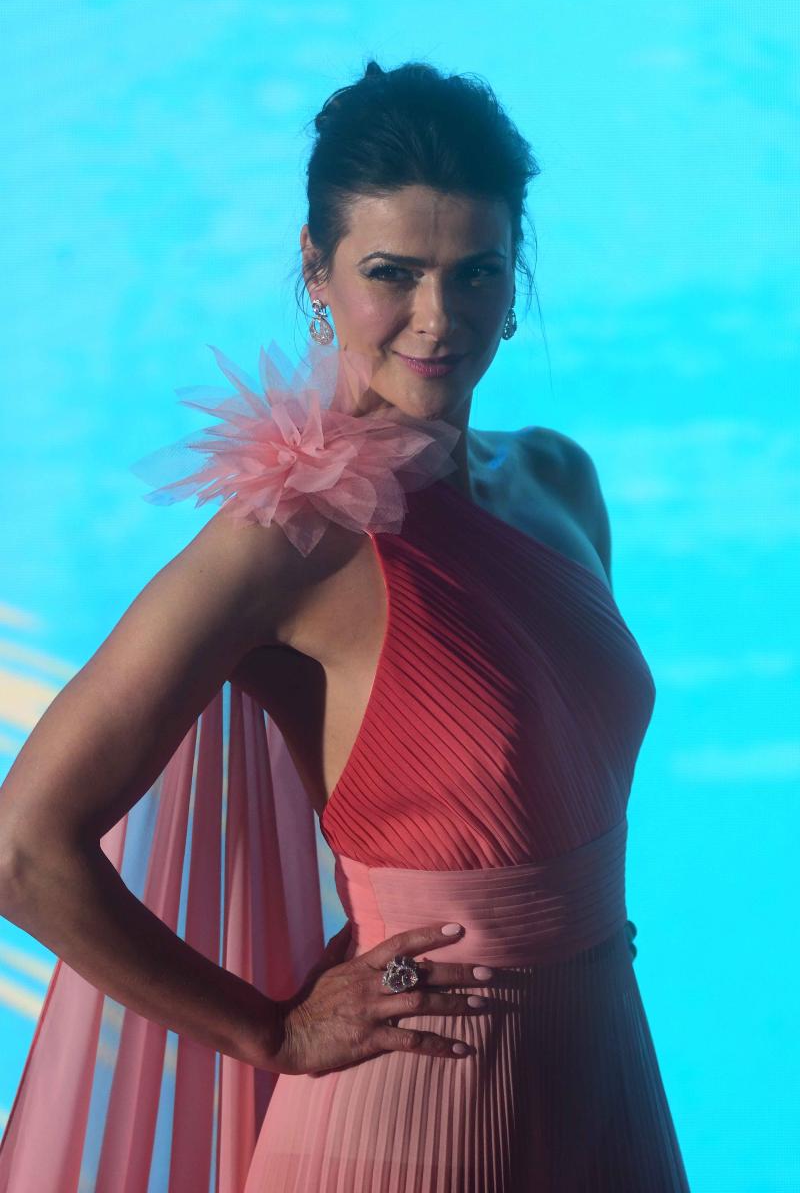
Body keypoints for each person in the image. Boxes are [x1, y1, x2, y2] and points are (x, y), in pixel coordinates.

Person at [0, 59, 688, 1191]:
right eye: (391, 274)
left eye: (475, 272)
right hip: (412, 1112)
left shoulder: (558, 481)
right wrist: (271, 1032)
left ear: (514, 277)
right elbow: (24, 849)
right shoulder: (287, 542)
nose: (439, 319)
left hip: (604, 1070)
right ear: (316, 270)